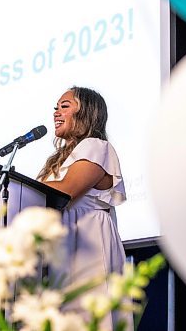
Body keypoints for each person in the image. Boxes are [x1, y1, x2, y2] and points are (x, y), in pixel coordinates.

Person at [38, 86, 130, 329]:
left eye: (64, 106)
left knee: (89, 317)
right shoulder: (62, 158)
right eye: (56, 108)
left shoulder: (96, 146)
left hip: (88, 248)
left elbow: (67, 190)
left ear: (87, 112)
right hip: (64, 249)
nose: (56, 113)